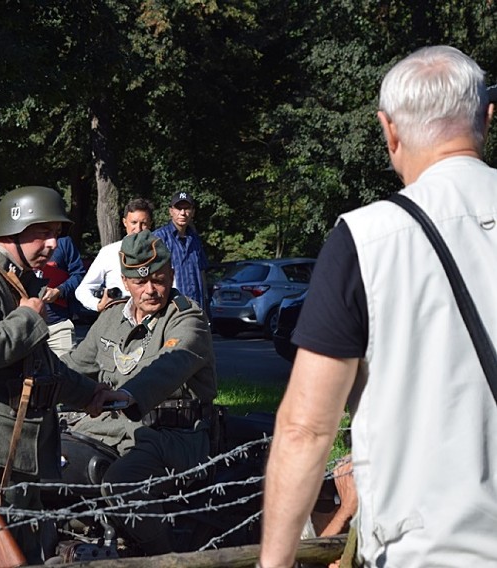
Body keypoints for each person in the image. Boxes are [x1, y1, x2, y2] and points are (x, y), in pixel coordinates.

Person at [259, 46, 497, 567]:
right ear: (486, 117)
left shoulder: (367, 240)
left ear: (388, 130)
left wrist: (274, 562)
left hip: (425, 549)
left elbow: (307, 427)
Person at [0, 185, 120, 567]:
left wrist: (88, 394)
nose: (53, 243)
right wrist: (27, 317)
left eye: (55, 232)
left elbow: (41, 367)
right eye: (43, 232)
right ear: (13, 230)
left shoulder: (16, 279)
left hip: (21, 454)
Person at [62, 229, 218, 555]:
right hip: (111, 429)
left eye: (159, 279)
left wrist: (127, 395)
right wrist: (32, 377)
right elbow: (75, 366)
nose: (150, 290)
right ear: (125, 280)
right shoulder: (110, 320)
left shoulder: (187, 318)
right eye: (139, 282)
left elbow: (169, 366)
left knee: (121, 482)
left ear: (172, 274)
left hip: (173, 435)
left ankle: (161, 558)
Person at [75, 198, 155, 313]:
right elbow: (83, 290)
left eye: (143, 224)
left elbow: (172, 287)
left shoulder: (158, 253)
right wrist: (98, 305)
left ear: (150, 224)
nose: (138, 229)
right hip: (117, 318)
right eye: (134, 223)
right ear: (124, 222)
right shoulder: (109, 252)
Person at [153, 191, 209, 308]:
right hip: (172, 308)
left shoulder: (195, 239)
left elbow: (202, 273)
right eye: (178, 208)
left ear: (193, 212)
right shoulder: (159, 238)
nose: (182, 213)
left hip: (197, 306)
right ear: (171, 211)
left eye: (187, 208)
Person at [41, 235, 86, 356]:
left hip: (59, 326)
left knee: (67, 372)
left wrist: (59, 291)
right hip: (26, 327)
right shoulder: (19, 241)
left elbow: (79, 275)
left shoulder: (63, 242)